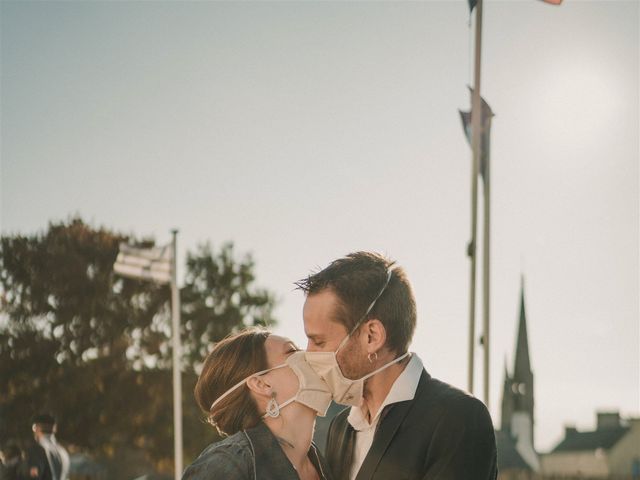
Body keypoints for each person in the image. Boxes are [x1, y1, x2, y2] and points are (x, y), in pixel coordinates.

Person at [296, 251, 498, 480]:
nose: (309, 353)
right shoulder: (340, 428)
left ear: (372, 337)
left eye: (319, 341)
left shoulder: (458, 419)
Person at [182, 327, 334, 480]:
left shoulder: (328, 463)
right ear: (262, 384)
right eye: (292, 351)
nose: (309, 355)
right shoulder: (224, 466)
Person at [24, 414, 70, 480]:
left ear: (37, 428)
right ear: (55, 429)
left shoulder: (36, 450)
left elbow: (33, 478)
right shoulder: (63, 451)